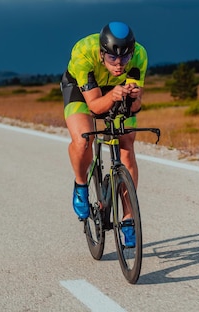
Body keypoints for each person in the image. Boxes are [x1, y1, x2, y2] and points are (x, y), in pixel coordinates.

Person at [60, 21, 147, 247]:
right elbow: (95, 107)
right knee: (83, 139)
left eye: (124, 59)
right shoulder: (83, 52)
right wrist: (113, 96)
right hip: (81, 91)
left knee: (127, 144)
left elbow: (136, 107)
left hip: (116, 90)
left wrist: (135, 98)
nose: (119, 65)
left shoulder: (139, 55)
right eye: (112, 59)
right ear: (102, 53)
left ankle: (128, 219)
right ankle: (81, 185)